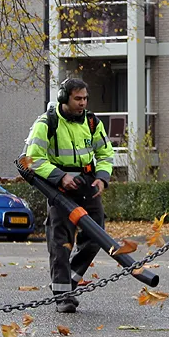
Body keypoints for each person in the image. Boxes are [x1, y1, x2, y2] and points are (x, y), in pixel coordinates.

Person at [23, 78, 114, 313]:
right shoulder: (46, 123)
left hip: (87, 184)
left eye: (85, 98)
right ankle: (63, 296)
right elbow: (31, 159)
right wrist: (60, 176)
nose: (82, 103)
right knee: (60, 242)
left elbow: (105, 154)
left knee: (97, 236)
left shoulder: (93, 122)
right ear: (64, 98)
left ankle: (69, 281)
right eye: (77, 99)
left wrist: (102, 178)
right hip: (59, 188)